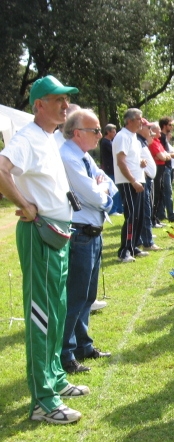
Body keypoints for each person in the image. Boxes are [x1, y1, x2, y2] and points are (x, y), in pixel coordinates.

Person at [0, 75, 90, 424]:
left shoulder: (47, 137)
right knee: (41, 314)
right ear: (38, 105)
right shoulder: (26, 138)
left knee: (57, 309)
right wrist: (24, 203)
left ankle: (54, 378)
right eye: (57, 100)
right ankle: (43, 400)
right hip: (41, 234)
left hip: (58, 233)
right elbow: (2, 169)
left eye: (66, 100)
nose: (65, 106)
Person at [59, 109, 115, 374]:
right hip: (81, 233)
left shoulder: (82, 156)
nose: (99, 135)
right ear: (77, 132)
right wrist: (101, 188)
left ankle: (83, 345)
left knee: (88, 295)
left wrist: (102, 187)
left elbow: (108, 183)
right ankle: (66, 354)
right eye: (95, 130)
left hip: (92, 232)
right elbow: (96, 194)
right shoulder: (68, 156)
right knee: (76, 296)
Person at [113, 108, 147, 263]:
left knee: (139, 215)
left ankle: (133, 246)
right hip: (128, 182)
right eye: (139, 119)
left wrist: (141, 162)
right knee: (131, 216)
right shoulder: (122, 136)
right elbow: (121, 161)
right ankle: (124, 250)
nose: (142, 122)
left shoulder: (134, 137)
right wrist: (133, 180)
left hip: (138, 180)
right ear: (130, 121)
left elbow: (132, 158)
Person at [136, 119, 160, 251]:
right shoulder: (137, 141)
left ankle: (145, 236)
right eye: (147, 128)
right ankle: (147, 241)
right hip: (143, 180)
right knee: (145, 211)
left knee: (146, 209)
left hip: (148, 180)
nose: (150, 131)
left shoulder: (142, 141)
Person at [157, 116, 174, 223]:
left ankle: (161, 215)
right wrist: (172, 155)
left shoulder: (163, 137)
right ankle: (171, 216)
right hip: (165, 167)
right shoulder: (161, 137)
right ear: (164, 125)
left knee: (163, 192)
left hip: (166, 167)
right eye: (170, 125)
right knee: (168, 192)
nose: (171, 127)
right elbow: (162, 152)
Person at [148, 122, 172, 227]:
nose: (160, 132)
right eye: (158, 130)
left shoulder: (158, 141)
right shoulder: (152, 142)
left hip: (161, 169)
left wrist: (165, 156)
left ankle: (156, 218)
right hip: (157, 169)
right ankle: (152, 219)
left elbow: (165, 154)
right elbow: (162, 157)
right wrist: (165, 156)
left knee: (160, 193)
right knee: (156, 194)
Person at [100, 124, 123, 215]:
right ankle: (113, 209)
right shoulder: (105, 142)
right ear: (108, 132)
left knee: (118, 189)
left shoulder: (110, 142)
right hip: (110, 170)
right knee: (114, 190)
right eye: (113, 131)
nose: (115, 133)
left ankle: (119, 208)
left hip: (114, 170)